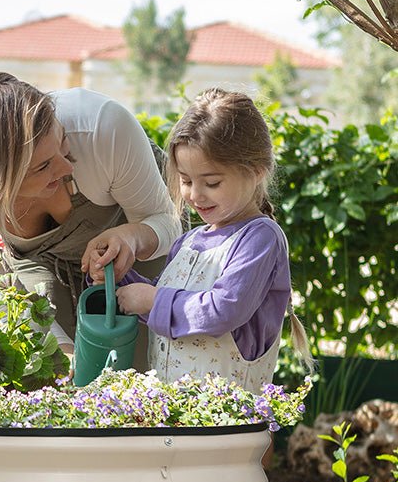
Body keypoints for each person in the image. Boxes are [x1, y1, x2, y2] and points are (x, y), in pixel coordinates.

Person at [0, 71, 181, 353]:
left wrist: (131, 237)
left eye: (63, 142)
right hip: (28, 271)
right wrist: (62, 355)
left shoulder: (102, 128)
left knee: (148, 357)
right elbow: (3, 292)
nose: (67, 168)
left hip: (140, 249)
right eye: (43, 166)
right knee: (52, 369)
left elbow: (167, 221)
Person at [112, 88, 312, 390]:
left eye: (212, 182)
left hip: (227, 425)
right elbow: (176, 314)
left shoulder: (260, 238)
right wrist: (117, 279)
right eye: (186, 181)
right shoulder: (188, 242)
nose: (195, 194)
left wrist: (151, 299)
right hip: (178, 418)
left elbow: (223, 309)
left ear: (256, 171)